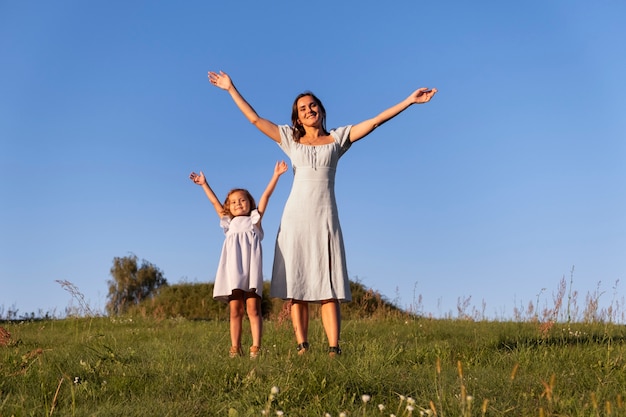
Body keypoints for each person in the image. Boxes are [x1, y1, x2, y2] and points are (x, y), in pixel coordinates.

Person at [208, 70, 437, 356]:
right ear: (297, 117)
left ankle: (334, 348)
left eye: (312, 105)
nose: (309, 110)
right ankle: (302, 346)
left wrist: (408, 101)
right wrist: (231, 88)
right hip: (295, 219)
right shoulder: (290, 139)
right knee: (298, 285)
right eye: (302, 108)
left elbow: (375, 122)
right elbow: (255, 119)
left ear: (321, 109)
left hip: (326, 218)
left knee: (329, 285)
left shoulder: (338, 138)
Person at [189, 161, 288, 358]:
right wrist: (204, 184)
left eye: (242, 200)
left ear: (250, 203)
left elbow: (266, 196)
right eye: (233, 202)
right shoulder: (229, 223)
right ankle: (235, 347)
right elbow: (215, 203)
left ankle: (256, 347)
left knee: (253, 308)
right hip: (232, 272)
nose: (238, 204)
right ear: (229, 207)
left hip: (250, 272)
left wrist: (276, 175)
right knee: (235, 310)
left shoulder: (254, 220)